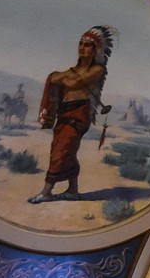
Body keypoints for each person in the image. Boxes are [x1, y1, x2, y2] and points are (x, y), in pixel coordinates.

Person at [28, 25, 117, 204]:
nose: (82, 48)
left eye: (87, 45)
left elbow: (74, 83)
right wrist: (63, 77)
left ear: (96, 50)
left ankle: (47, 191)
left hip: (79, 114)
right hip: (64, 112)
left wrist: (63, 77)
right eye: (81, 44)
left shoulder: (98, 70)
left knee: (60, 151)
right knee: (67, 151)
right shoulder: (73, 70)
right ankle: (73, 190)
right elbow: (55, 78)